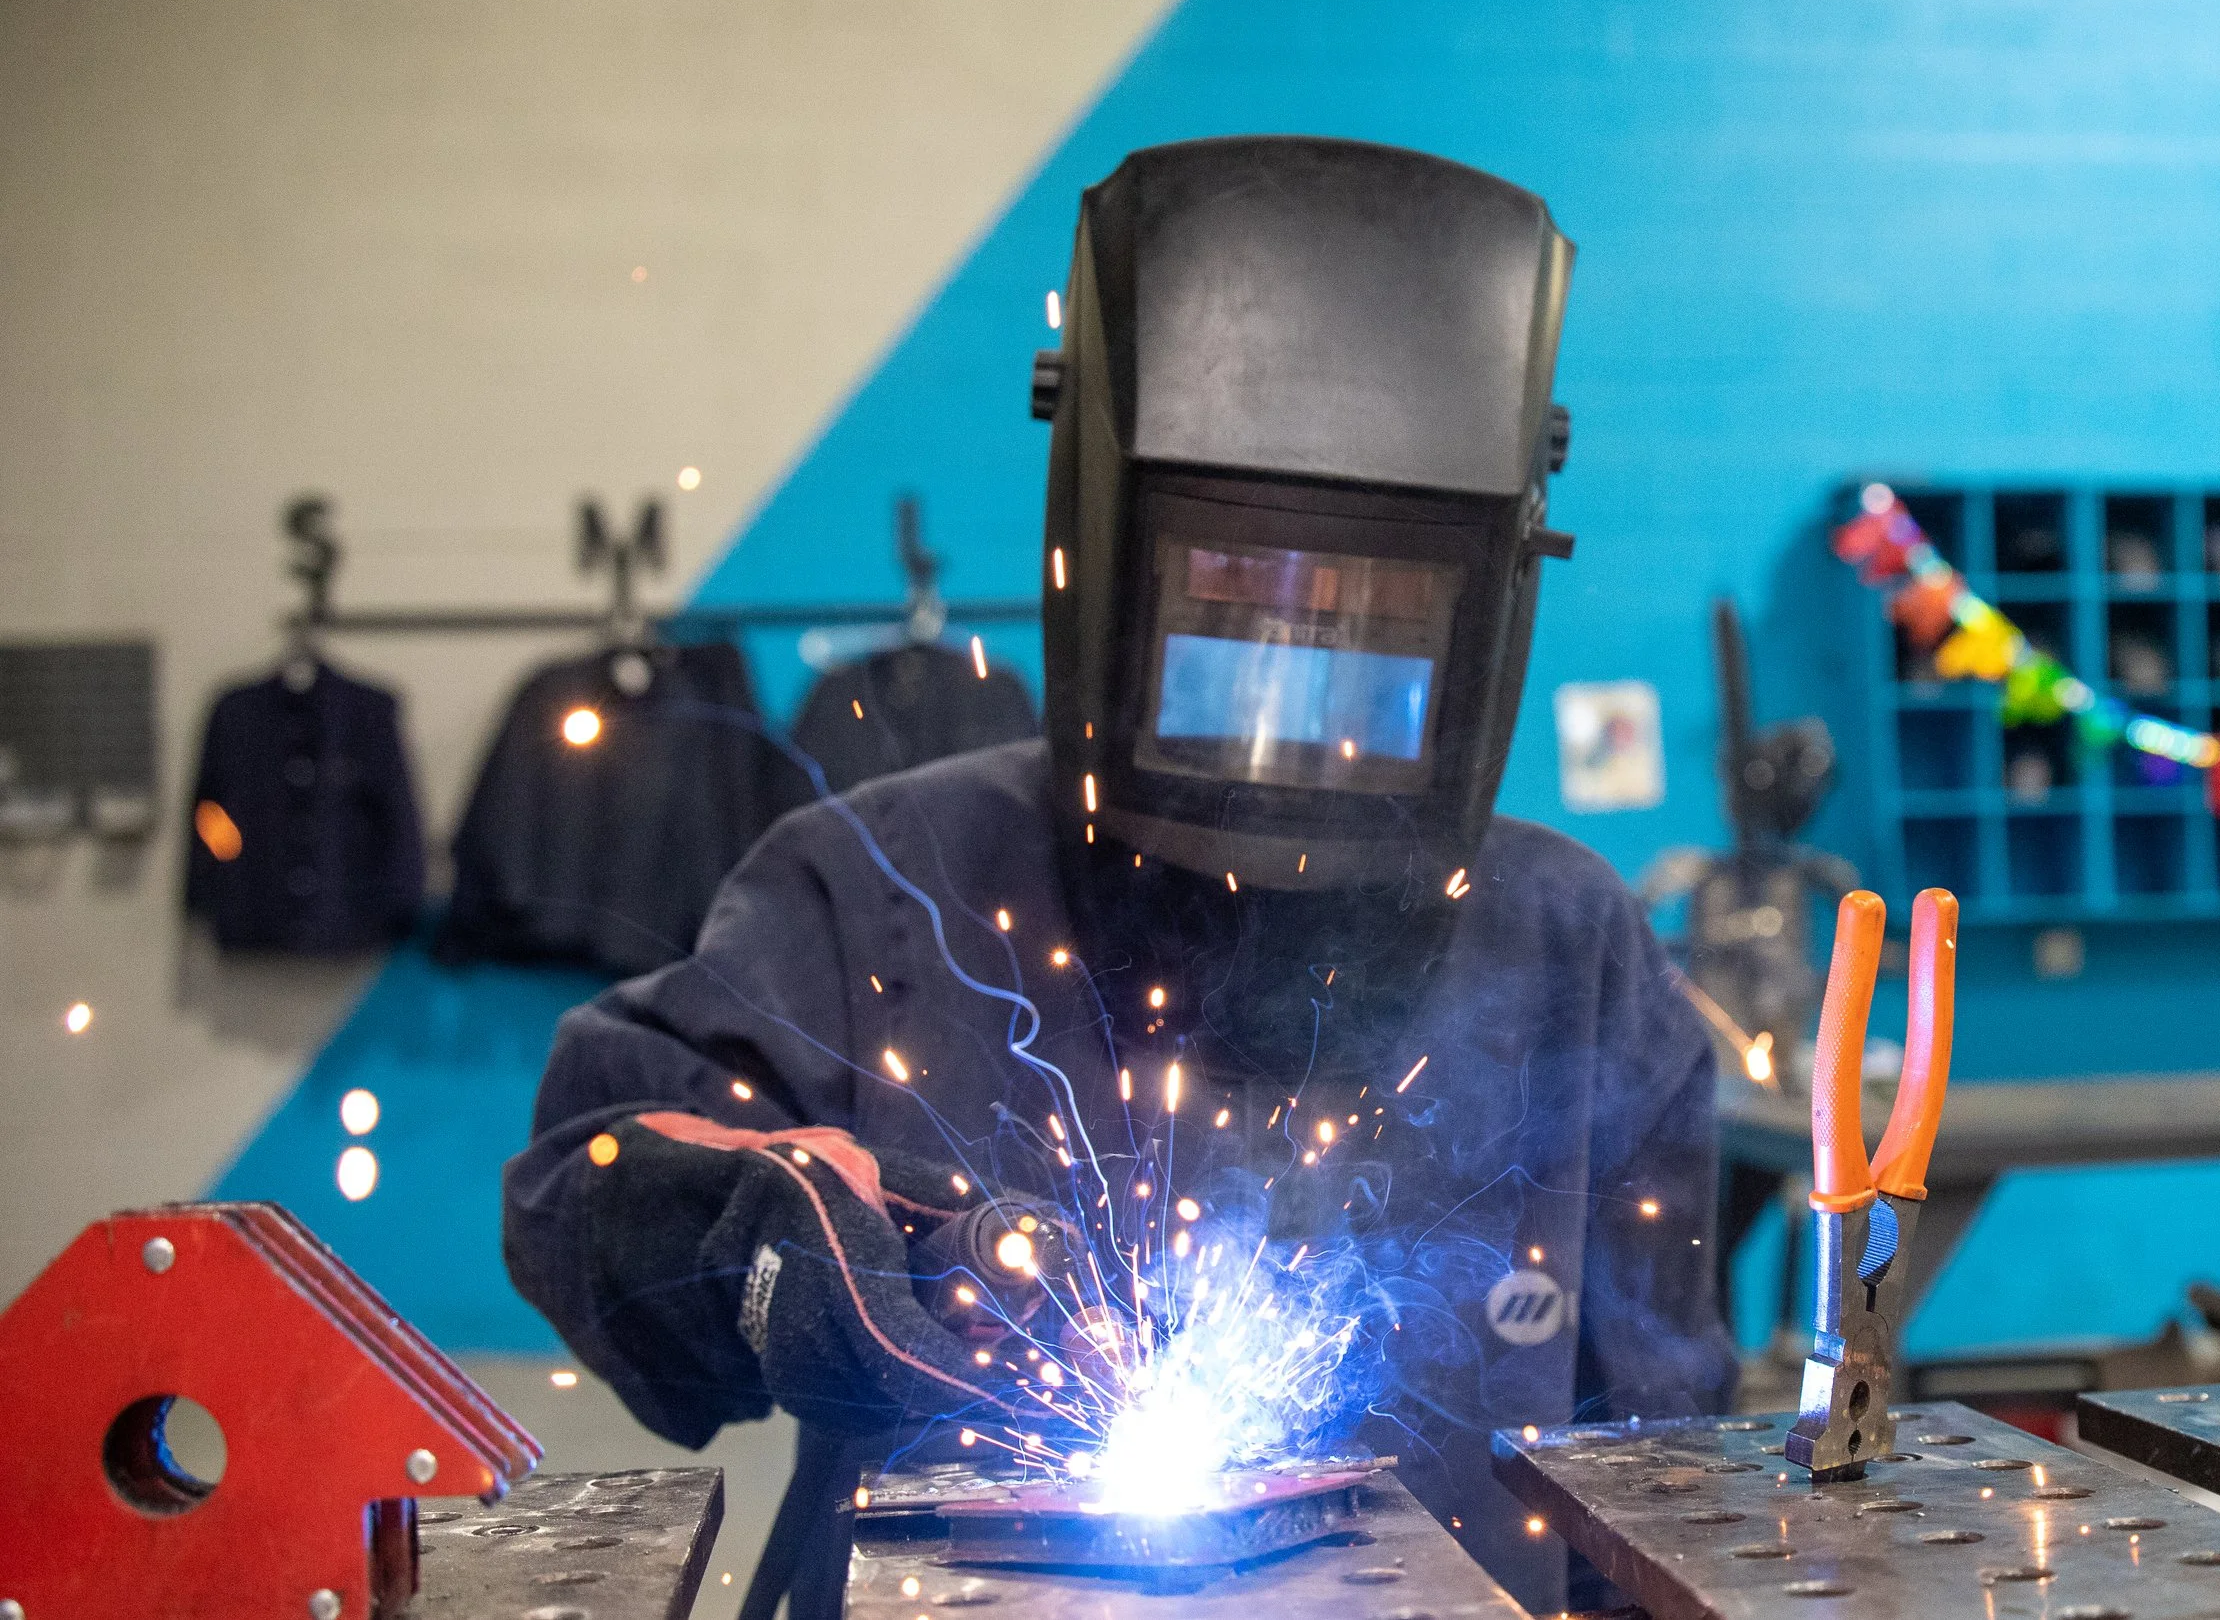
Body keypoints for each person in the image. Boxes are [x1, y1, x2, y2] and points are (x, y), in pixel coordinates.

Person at [503, 135, 1736, 1616]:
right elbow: (585, 1179)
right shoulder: (880, 883)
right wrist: (752, 1242)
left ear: (1495, 592)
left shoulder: (1573, 944)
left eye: (1373, 626)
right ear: (1106, 543)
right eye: (1227, 608)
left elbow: (1658, 1469)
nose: (1293, 689)